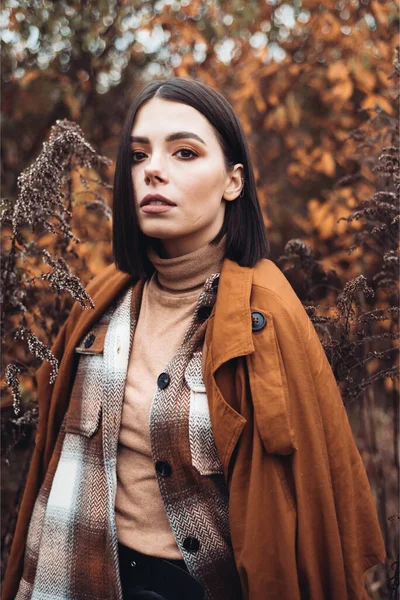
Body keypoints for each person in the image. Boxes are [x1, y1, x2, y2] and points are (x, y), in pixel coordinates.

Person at [3, 77, 386, 600]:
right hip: (77, 571)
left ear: (233, 182)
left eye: (184, 152)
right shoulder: (98, 303)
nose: (152, 169)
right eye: (138, 155)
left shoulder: (267, 316)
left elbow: (309, 500)